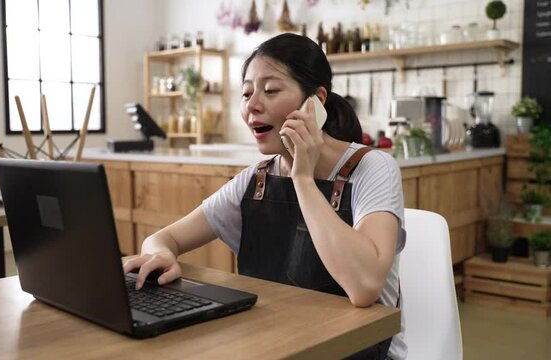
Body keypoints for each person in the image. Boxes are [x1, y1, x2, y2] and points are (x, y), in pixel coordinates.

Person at [123, 33, 406, 360]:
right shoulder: (255, 179)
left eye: (270, 91)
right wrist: (162, 254)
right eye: (246, 93)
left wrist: (303, 178)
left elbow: (364, 287)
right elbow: (162, 238)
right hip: (276, 345)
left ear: (315, 102)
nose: (252, 105)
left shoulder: (373, 168)